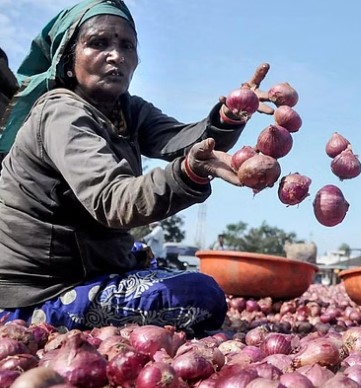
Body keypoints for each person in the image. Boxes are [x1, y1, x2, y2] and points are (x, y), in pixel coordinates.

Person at [0, 0, 274, 335]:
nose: (116, 55)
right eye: (98, 43)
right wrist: (188, 172)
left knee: (145, 257)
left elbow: (183, 140)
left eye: (126, 46)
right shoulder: (61, 113)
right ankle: (36, 316)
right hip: (40, 289)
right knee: (201, 295)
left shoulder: (127, 110)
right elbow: (113, 201)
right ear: (69, 61)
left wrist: (231, 113)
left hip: (87, 267)